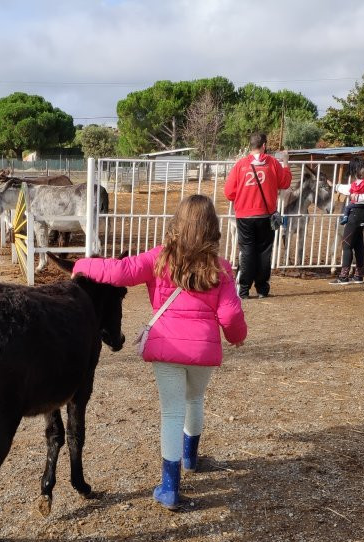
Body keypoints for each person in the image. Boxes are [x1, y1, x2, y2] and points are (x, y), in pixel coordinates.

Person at [72, 195, 247, 510]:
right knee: (194, 399)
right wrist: (236, 337)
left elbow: (119, 271)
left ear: (176, 224)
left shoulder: (160, 259)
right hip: (202, 354)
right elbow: (232, 316)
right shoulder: (221, 269)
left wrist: (82, 265)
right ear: (213, 228)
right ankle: (191, 458)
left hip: (167, 348)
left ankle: (169, 486)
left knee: (171, 411)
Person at [224, 133, 292, 299]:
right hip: (265, 215)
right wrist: (286, 163)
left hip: (245, 215)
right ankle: (262, 289)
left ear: (250, 146)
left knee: (247, 250)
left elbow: (229, 193)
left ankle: (244, 289)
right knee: (264, 251)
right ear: (264, 145)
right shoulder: (272, 163)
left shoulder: (241, 165)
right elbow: (285, 183)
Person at [332, 166, 364, 285]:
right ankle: (358, 275)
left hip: (354, 216)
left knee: (347, 245)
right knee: (359, 244)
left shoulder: (353, 186)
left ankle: (343, 276)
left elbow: (340, 187)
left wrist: (333, 185)